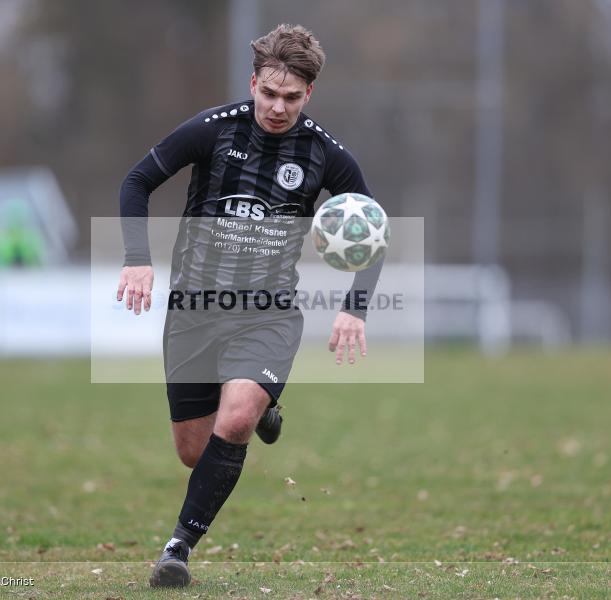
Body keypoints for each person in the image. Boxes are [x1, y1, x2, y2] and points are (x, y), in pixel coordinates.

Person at [117, 24, 382, 587]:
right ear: (254, 82)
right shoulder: (213, 131)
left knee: (234, 419)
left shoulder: (326, 154)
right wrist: (136, 257)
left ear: (308, 93)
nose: (278, 107)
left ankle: (177, 548)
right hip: (194, 310)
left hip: (268, 311)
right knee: (195, 452)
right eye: (269, 93)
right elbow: (137, 181)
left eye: (291, 97)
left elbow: (373, 233)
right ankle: (265, 407)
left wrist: (354, 307)